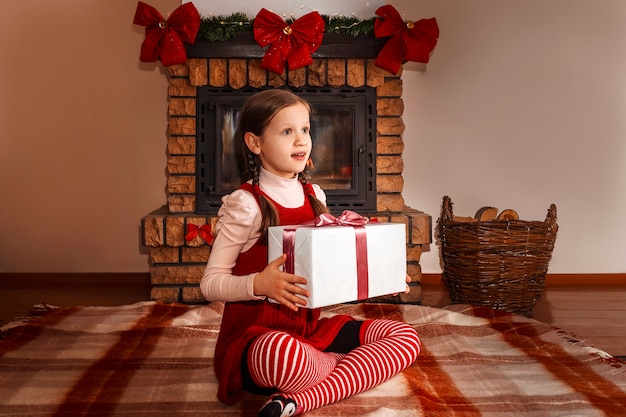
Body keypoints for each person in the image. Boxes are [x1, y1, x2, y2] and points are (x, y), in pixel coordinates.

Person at [200, 89, 421, 417]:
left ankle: (300, 399)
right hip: (261, 342)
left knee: (405, 337)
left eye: (305, 129)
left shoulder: (314, 194)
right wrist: (258, 285)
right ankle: (347, 366)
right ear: (255, 143)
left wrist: (378, 276)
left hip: (308, 331)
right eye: (287, 131)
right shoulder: (245, 204)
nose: (301, 140)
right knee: (285, 356)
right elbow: (210, 283)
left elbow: (329, 272)